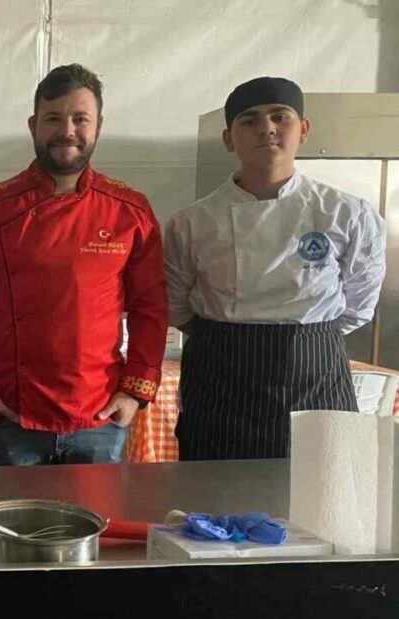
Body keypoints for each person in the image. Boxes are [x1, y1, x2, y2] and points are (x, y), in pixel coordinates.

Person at [0, 63, 168, 466]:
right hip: (11, 418)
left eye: (80, 119)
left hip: (99, 419)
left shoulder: (130, 210)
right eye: (53, 119)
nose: (67, 130)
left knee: (98, 528)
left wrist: (135, 393)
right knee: (9, 529)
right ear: (33, 126)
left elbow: (150, 308)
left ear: (99, 126)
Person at [164, 76, 386, 460]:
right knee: (215, 497)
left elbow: (360, 303)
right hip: (221, 379)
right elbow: (174, 302)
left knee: (318, 494)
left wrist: (307, 339)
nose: (266, 128)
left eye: (279, 117)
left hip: (316, 374)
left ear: (303, 129)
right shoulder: (193, 222)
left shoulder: (348, 213)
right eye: (249, 120)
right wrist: (228, 339)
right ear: (229, 139)